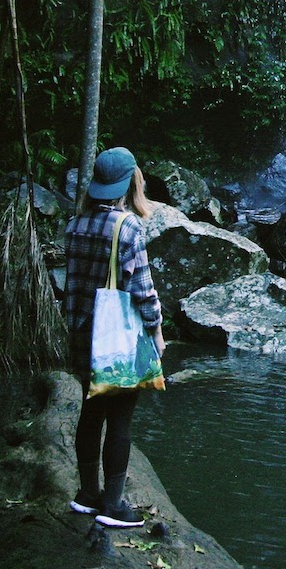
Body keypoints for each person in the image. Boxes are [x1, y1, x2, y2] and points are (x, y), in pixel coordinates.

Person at [63, 146, 165, 528]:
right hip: (116, 342)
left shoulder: (76, 224)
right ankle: (113, 506)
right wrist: (157, 334)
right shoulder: (128, 227)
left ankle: (87, 495)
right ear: (128, 184)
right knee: (120, 420)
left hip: (81, 336)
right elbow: (143, 290)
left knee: (90, 414)